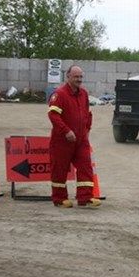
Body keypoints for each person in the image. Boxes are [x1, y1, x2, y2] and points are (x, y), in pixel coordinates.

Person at [47, 65, 101, 208]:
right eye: (76, 77)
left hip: (81, 140)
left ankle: (85, 197)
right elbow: (53, 115)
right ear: (68, 77)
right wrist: (66, 131)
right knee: (60, 168)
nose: (79, 79)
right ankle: (59, 198)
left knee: (86, 167)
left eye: (81, 77)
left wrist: (87, 130)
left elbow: (87, 114)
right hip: (62, 140)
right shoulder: (59, 94)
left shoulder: (83, 94)